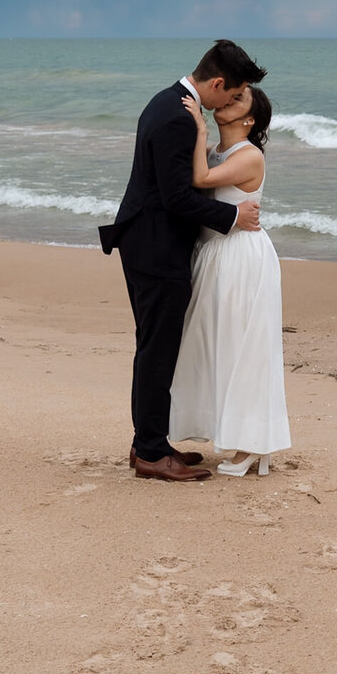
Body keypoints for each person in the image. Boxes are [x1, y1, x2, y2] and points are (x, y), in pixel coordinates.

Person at [98, 41, 268, 482]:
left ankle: (148, 442)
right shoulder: (177, 115)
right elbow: (176, 198)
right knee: (157, 350)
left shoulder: (168, 103)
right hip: (156, 248)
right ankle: (151, 452)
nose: (228, 103)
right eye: (230, 95)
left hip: (147, 242)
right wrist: (233, 215)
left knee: (154, 346)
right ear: (216, 83)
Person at [169, 85, 291, 474]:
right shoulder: (218, 153)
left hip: (241, 257)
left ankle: (254, 444)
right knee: (216, 345)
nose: (229, 100)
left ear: (250, 120)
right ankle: (240, 436)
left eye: (240, 100)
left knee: (245, 348)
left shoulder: (250, 156)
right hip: (214, 254)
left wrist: (199, 130)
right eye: (232, 94)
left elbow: (201, 179)